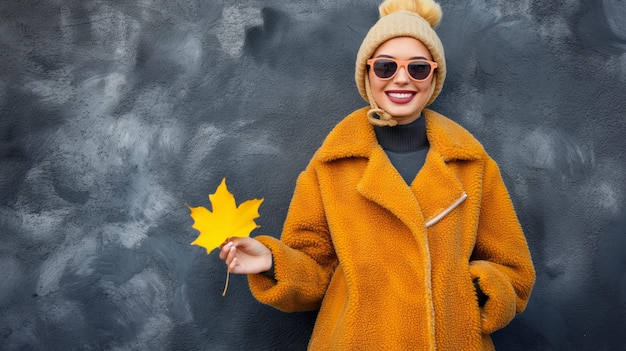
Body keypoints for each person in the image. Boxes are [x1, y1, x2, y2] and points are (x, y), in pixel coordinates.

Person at [219, 0, 535, 349]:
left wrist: (471, 291)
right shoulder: (331, 165)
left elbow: (514, 270)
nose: (401, 78)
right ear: (367, 74)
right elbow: (315, 270)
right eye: (386, 66)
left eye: (418, 68)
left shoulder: (471, 164)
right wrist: (271, 261)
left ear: (434, 77)